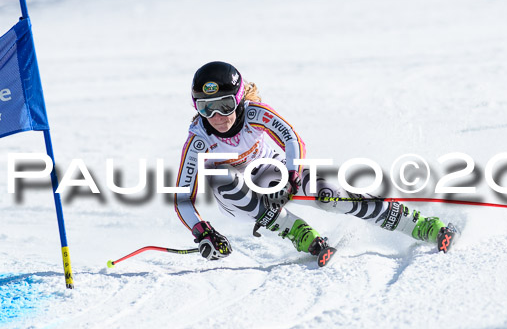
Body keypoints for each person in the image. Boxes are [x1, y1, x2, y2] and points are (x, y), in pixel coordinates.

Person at [175, 61, 458, 261]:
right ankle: (298, 232)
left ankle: (421, 225)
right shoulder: (199, 140)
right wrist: (203, 231)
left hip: (271, 172)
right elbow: (182, 197)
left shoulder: (254, 114)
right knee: (222, 178)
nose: (217, 117)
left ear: (238, 99)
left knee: (330, 196)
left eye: (224, 105)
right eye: (206, 108)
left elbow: (291, 139)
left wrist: (292, 174)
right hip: (235, 196)